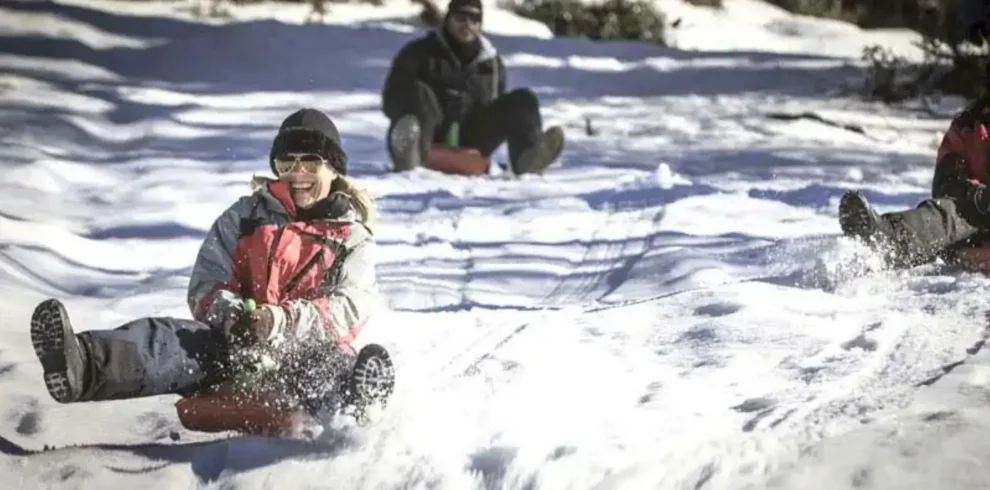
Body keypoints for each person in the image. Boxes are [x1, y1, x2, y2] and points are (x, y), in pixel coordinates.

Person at [28, 108, 394, 425]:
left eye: (310, 162)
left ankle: (358, 400)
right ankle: (82, 365)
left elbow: (351, 306)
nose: (298, 173)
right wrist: (237, 318)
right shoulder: (245, 216)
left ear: (333, 168)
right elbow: (207, 283)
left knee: (329, 368)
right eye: (287, 163)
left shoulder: (350, 236)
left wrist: (279, 322)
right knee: (168, 339)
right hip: (240, 347)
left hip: (306, 354)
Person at [381, 0, 565, 175]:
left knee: (523, 99)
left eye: (474, 19)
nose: (467, 24)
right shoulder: (419, 53)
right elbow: (391, 97)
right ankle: (408, 153)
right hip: (428, 133)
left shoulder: (490, 63)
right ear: (448, 19)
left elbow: (497, 105)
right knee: (418, 92)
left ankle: (528, 158)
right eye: (461, 17)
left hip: (472, 136)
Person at [838, 94, 990, 269]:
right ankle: (886, 242)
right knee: (951, 212)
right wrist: (973, 193)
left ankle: (893, 247)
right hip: (970, 225)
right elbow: (946, 180)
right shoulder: (970, 124)